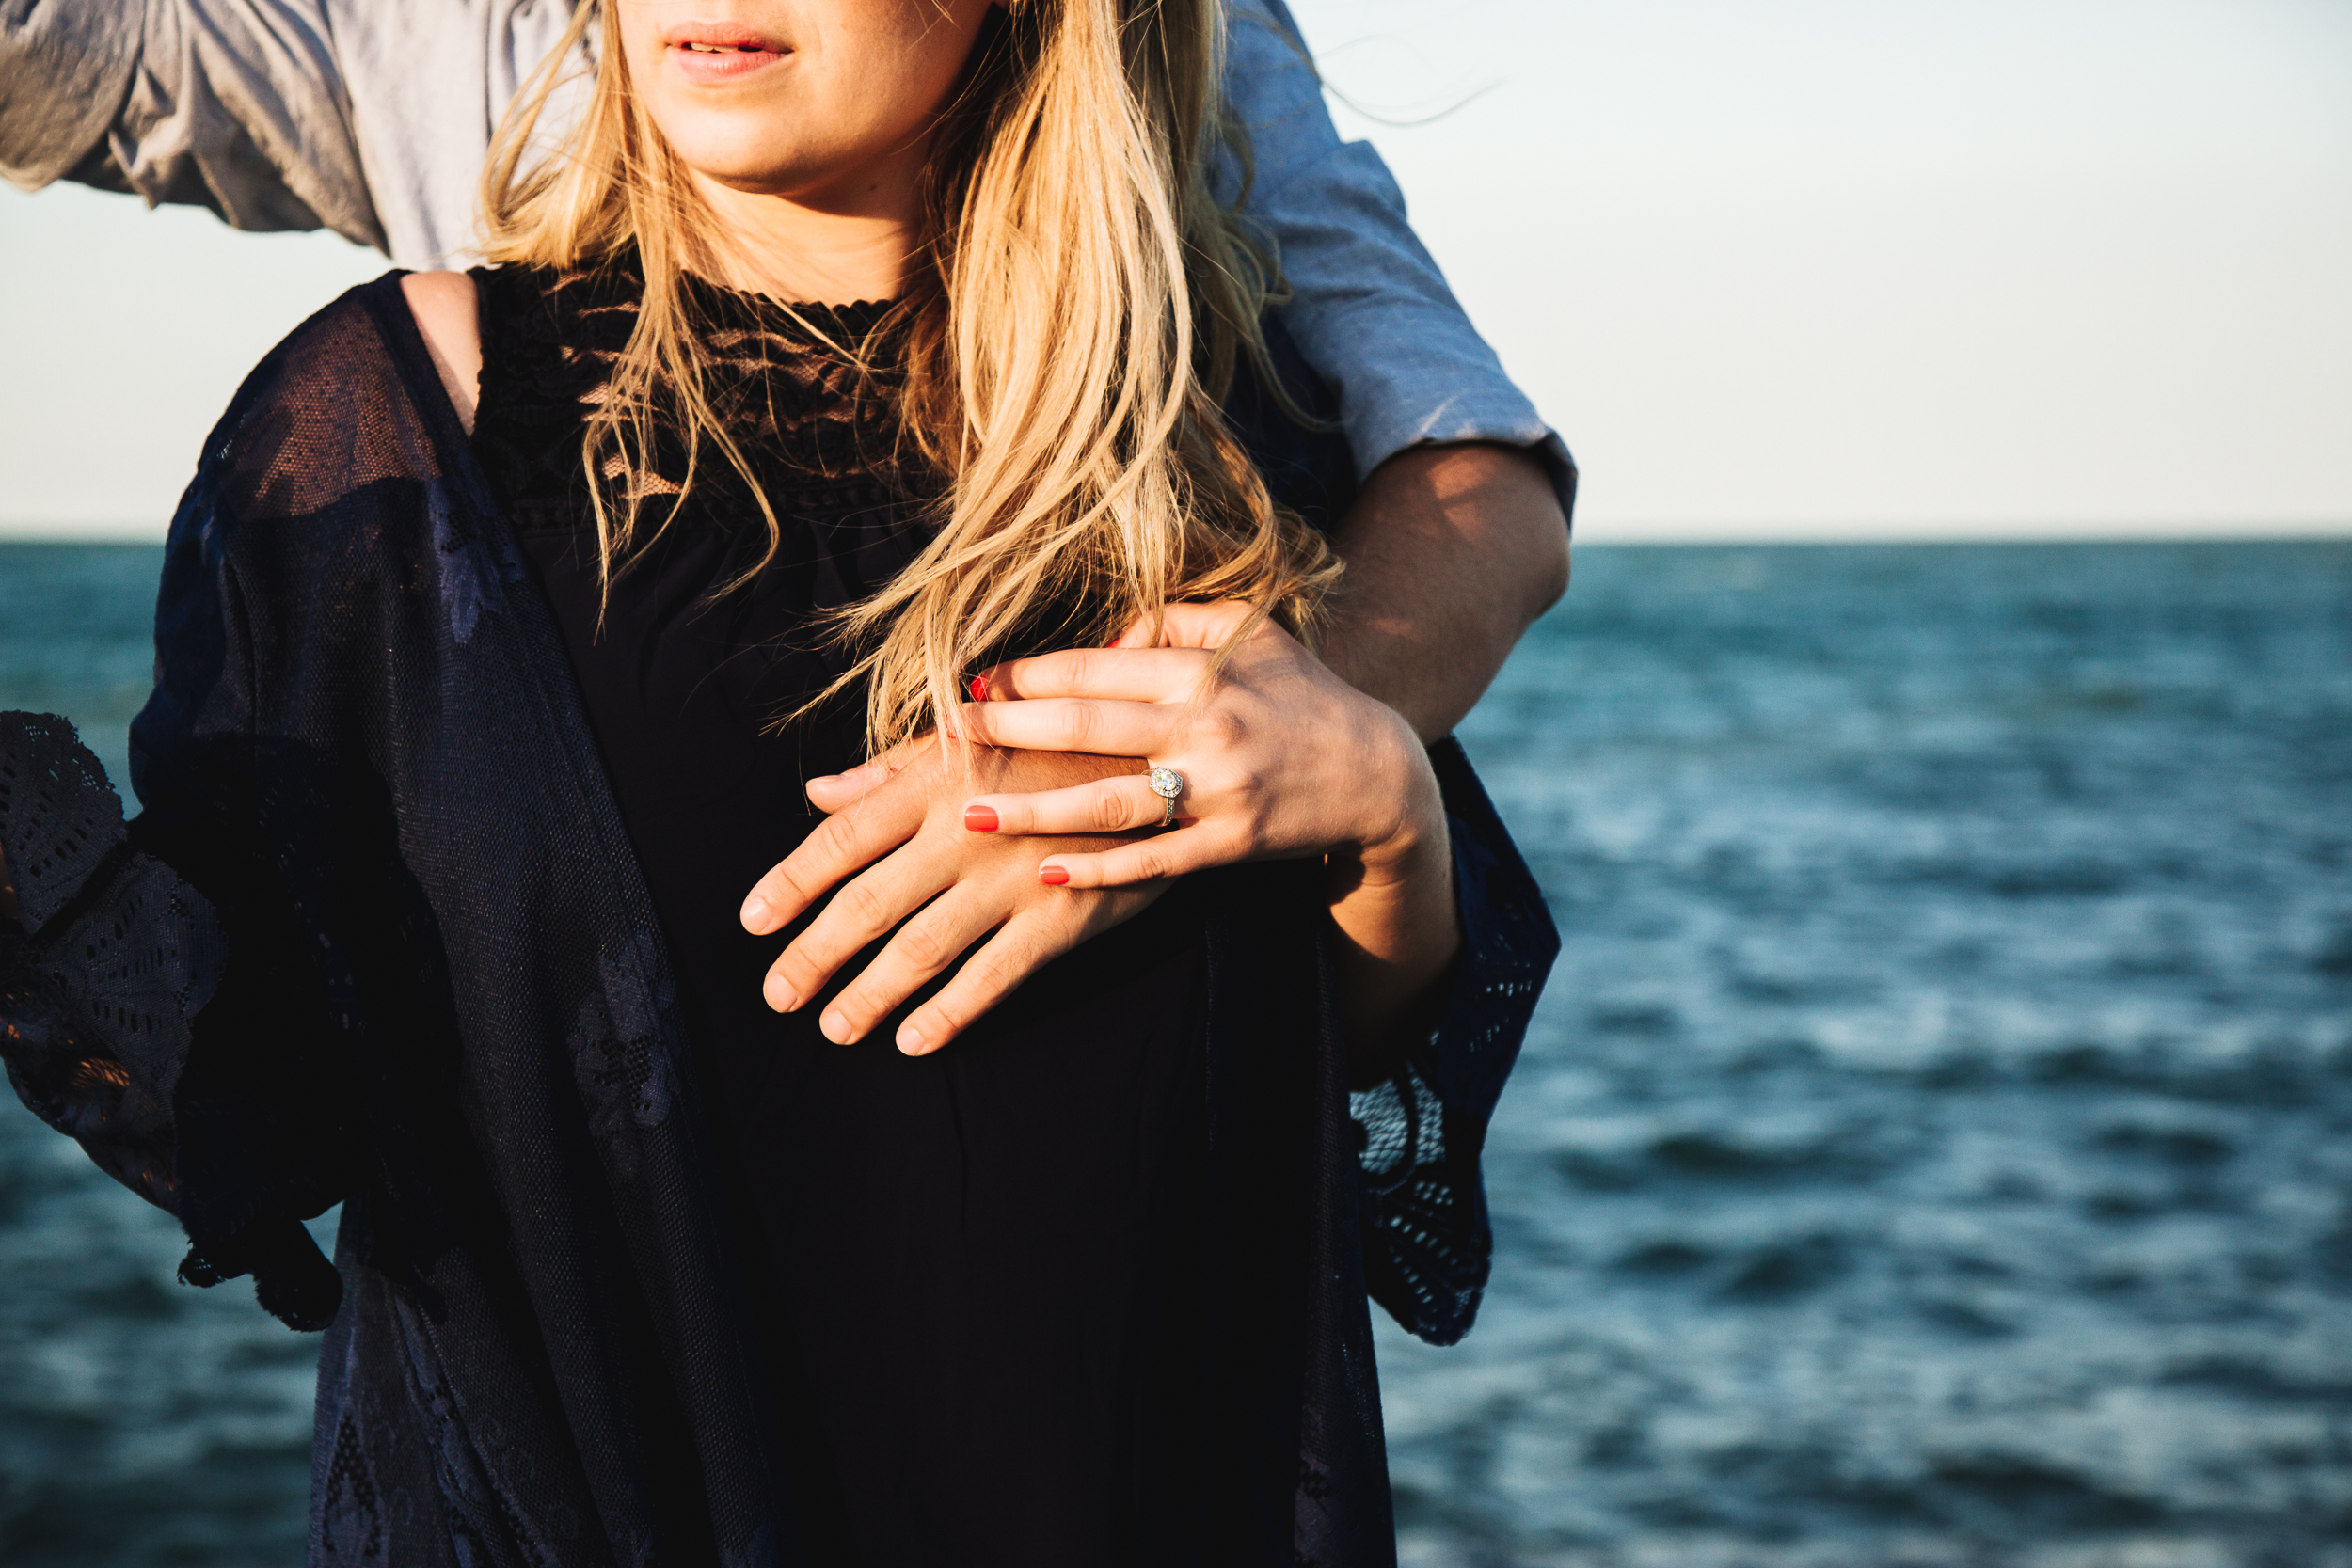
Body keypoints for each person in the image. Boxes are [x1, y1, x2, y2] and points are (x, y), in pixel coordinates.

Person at [0, 1, 1558, 1563]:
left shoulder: (1209, 461)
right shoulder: (394, 437)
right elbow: (250, 1090)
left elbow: (1311, 1081)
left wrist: (1381, 810)